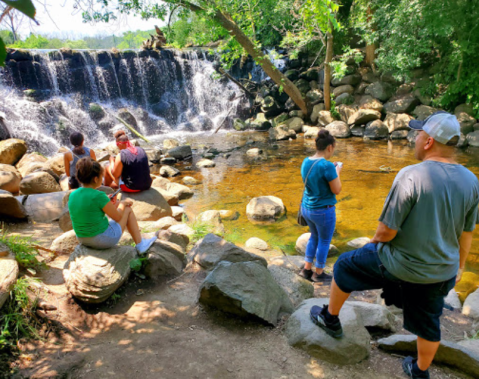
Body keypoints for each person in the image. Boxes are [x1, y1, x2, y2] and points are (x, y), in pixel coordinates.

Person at [310, 112, 479, 379]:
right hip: (441, 272)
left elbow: (386, 231)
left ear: (428, 142)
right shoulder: (472, 181)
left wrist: (374, 242)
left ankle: (329, 318)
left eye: (419, 134)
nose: (415, 137)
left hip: (400, 265)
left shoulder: (411, 175)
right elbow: (467, 233)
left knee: (344, 265)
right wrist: (457, 268)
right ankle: (420, 371)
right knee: (429, 324)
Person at [69, 157, 157, 254]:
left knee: (115, 208)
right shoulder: (99, 196)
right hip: (100, 240)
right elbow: (117, 217)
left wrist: (107, 200)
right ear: (95, 179)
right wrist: (123, 203)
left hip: (82, 238)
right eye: (101, 176)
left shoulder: (73, 194)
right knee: (127, 209)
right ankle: (140, 245)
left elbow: (89, 206)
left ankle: (140, 243)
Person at [299, 129, 342, 283]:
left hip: (307, 208)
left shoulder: (306, 161)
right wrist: (337, 171)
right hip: (323, 211)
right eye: (333, 148)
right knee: (324, 241)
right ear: (330, 147)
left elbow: (314, 182)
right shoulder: (327, 166)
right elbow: (336, 190)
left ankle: (307, 269)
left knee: (314, 236)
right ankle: (319, 273)